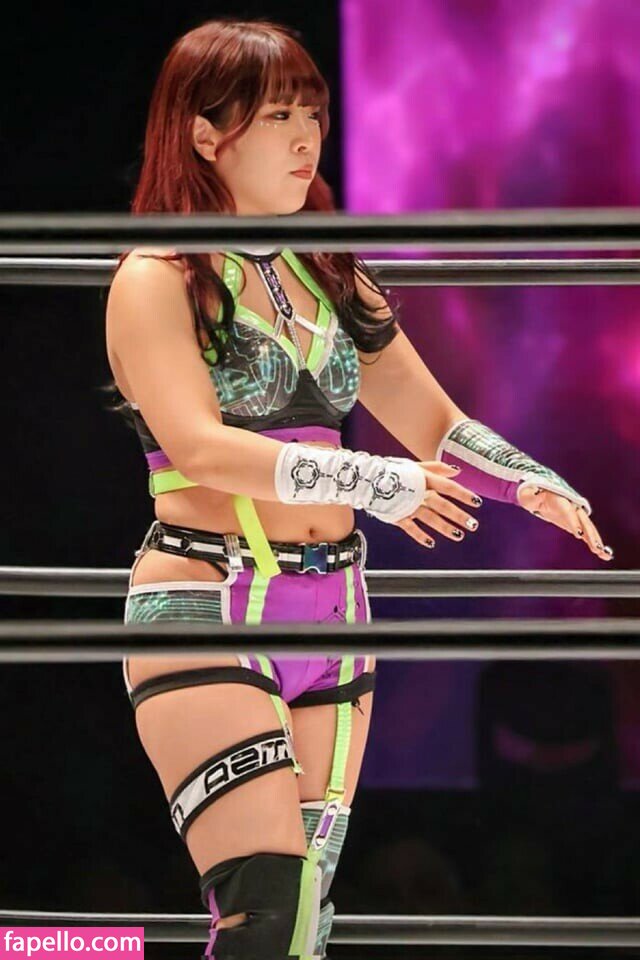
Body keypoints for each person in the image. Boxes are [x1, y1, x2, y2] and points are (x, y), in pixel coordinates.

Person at [104, 16, 612, 960]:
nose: (306, 139)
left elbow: (435, 424)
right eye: (278, 116)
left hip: (335, 614)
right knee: (265, 913)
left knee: (303, 926)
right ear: (205, 134)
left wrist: (531, 484)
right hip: (209, 599)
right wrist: (373, 478)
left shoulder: (331, 272)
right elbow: (199, 448)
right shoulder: (157, 277)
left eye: (314, 115)